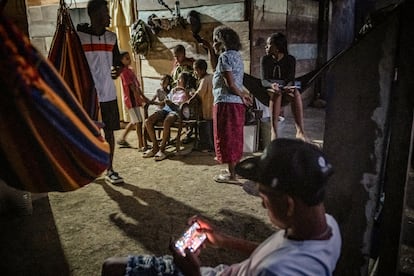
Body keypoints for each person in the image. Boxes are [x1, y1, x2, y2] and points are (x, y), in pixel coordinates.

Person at [101, 138, 342, 276]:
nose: (261, 202)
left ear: (289, 204)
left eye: (265, 198)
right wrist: (224, 240)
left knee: (112, 268)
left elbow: (276, 263)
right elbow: (276, 250)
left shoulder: (279, 271)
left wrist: (193, 273)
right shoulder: (325, 226)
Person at [77, 0, 123, 184]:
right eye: (106, 12)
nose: (109, 17)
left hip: (108, 94)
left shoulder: (112, 38)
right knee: (88, 134)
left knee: (110, 133)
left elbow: (118, 63)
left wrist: (117, 70)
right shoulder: (79, 37)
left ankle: (110, 169)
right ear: (94, 14)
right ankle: (89, 168)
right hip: (87, 97)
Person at [208, 26, 252, 184]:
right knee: (234, 135)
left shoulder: (224, 57)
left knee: (226, 137)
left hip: (226, 102)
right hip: (236, 104)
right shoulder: (237, 57)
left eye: (215, 41)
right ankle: (233, 170)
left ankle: (232, 175)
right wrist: (243, 97)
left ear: (222, 42)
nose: (213, 44)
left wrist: (243, 95)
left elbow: (230, 84)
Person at [260, 32, 307, 141]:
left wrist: (288, 86)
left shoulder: (290, 59)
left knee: (295, 93)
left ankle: (300, 131)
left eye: (269, 44)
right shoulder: (265, 59)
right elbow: (263, 80)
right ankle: (274, 131)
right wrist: (272, 85)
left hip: (284, 86)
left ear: (277, 47)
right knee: (276, 93)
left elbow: (290, 79)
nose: (266, 47)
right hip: (270, 87)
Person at [143, 72, 191, 161]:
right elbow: (166, 100)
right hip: (166, 109)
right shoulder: (173, 90)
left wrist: (183, 91)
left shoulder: (187, 91)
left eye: (180, 79)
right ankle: (155, 147)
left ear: (185, 81)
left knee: (167, 120)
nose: (177, 81)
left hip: (177, 111)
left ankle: (162, 150)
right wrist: (167, 101)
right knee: (148, 121)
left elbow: (187, 104)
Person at [116, 51, 150, 151]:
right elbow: (132, 88)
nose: (129, 59)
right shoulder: (124, 72)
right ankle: (141, 144)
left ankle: (122, 138)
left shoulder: (130, 70)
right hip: (131, 100)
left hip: (135, 99)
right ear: (121, 60)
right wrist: (140, 99)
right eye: (126, 58)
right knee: (138, 122)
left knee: (135, 120)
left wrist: (143, 97)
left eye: (129, 57)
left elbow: (137, 86)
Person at [189, 59, 214, 152]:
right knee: (212, 126)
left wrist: (190, 100)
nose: (195, 72)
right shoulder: (211, 76)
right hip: (213, 106)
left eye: (196, 70)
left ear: (201, 70)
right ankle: (212, 145)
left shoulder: (204, 79)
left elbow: (199, 93)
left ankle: (206, 146)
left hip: (206, 107)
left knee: (204, 126)